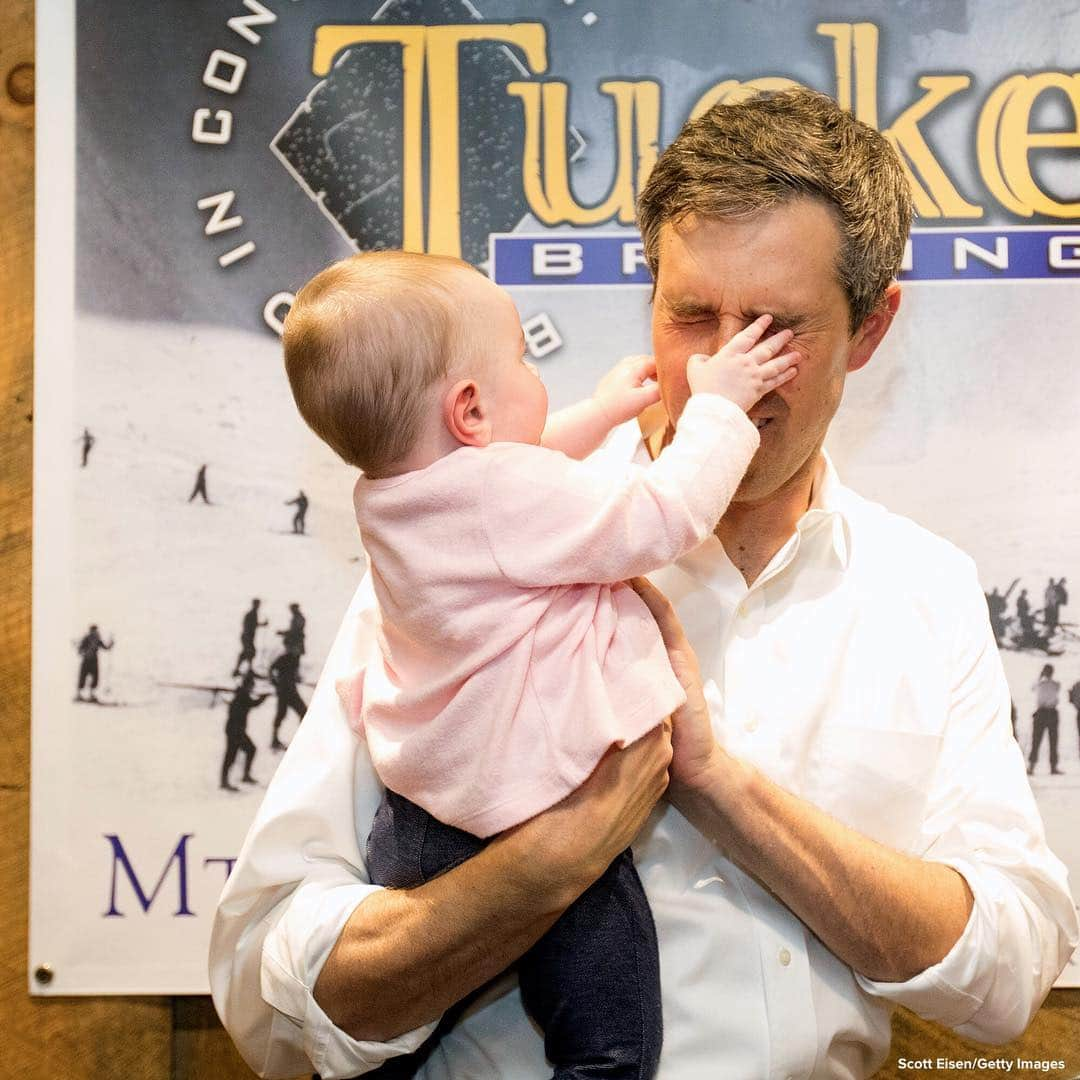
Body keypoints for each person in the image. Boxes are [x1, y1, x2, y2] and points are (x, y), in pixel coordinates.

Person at [210, 88, 1077, 1079]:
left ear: (870, 329)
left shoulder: (924, 589)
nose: (722, 366)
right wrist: (540, 869)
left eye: (773, 330)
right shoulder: (484, 538)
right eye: (692, 314)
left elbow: (1010, 971)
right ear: (649, 297)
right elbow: (266, 988)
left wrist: (721, 789)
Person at [275, 248, 797, 1077]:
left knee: (405, 1031)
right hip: (531, 811)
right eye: (522, 357)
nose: (532, 369)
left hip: (418, 825)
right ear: (471, 409)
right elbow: (662, 514)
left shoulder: (404, 495)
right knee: (611, 1038)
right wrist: (720, 409)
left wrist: (596, 414)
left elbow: (514, 470)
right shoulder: (499, 499)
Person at [220, 670, 269, 791]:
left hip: (235, 729)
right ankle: (225, 781)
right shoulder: (243, 696)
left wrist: (262, 697)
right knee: (233, 754)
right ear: (248, 686)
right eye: (251, 686)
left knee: (248, 750)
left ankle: (237, 777)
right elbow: (253, 703)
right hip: (235, 730)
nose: (252, 688)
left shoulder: (241, 694)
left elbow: (251, 702)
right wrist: (263, 697)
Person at [268, 644, 309, 751]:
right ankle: (275, 740)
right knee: (282, 714)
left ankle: (301, 739)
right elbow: (272, 669)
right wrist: (275, 683)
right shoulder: (284, 658)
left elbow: (293, 673)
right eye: (297, 649)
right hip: (284, 691)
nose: (298, 651)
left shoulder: (296, 659)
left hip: (291, 691)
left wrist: (297, 678)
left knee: (303, 712)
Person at [1028, 664, 1064, 776]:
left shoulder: (1040, 683)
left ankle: (1031, 767)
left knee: (1036, 741)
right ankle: (1053, 767)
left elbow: (1032, 688)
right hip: (1052, 713)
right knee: (1053, 741)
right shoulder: (1056, 684)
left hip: (1041, 713)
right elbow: (1057, 689)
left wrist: (1040, 676)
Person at [75, 623, 113, 702]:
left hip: (94, 661)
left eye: (95, 631)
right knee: (83, 676)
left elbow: (105, 647)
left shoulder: (97, 639)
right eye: (94, 630)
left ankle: (91, 695)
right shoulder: (86, 638)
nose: (95, 632)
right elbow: (80, 649)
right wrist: (83, 652)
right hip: (86, 660)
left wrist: (111, 643)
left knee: (94, 677)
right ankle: (79, 694)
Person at [233, 598, 267, 677]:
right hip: (247, 636)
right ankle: (246, 670)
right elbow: (250, 625)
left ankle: (243, 670)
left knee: (247, 653)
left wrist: (261, 624)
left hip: (248, 636)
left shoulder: (253, 613)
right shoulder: (251, 613)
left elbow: (252, 624)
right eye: (257, 604)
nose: (258, 606)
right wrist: (263, 624)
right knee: (249, 652)